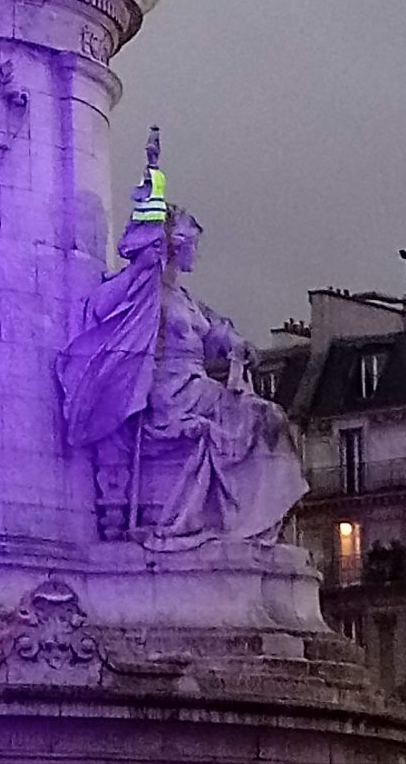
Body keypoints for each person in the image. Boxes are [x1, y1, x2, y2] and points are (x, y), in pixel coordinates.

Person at [58, 133, 308, 549]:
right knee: (263, 420)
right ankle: (239, 524)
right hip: (167, 393)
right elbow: (98, 310)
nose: (195, 252)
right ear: (172, 244)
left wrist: (236, 345)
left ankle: (254, 526)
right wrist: (141, 267)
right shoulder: (144, 291)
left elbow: (216, 330)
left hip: (197, 388)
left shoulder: (186, 299)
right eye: (190, 243)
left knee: (272, 419)